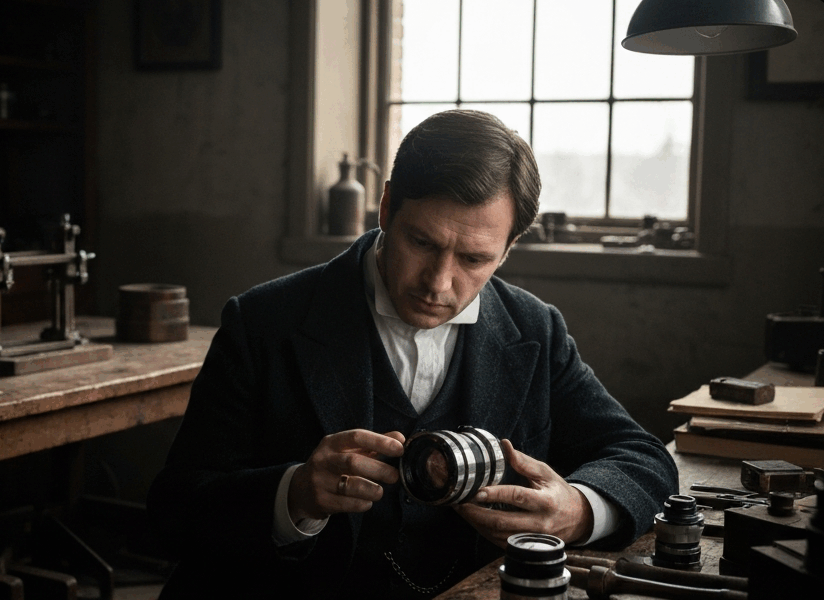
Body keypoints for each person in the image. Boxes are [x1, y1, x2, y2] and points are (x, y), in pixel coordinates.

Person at [147, 109, 678, 599]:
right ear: (385, 208)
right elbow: (171, 513)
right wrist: (294, 495)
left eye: (474, 258)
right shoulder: (262, 322)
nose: (438, 283)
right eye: (422, 243)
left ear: (508, 248)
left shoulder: (536, 330)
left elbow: (644, 457)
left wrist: (578, 510)